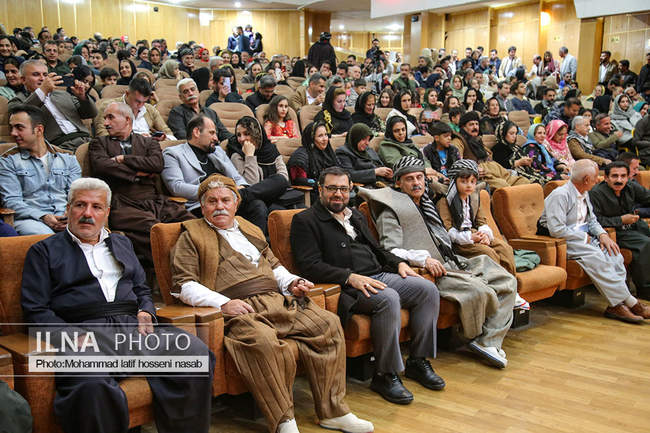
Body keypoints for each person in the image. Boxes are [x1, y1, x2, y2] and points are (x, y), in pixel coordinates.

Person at [169, 174, 372, 433]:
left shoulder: (249, 228)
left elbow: (275, 266)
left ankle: (333, 412)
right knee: (262, 341)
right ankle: (284, 421)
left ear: (236, 203)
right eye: (212, 201)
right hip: (240, 308)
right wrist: (224, 303)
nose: (219, 206)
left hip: (276, 299)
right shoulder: (190, 235)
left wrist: (293, 282)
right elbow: (183, 285)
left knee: (328, 324)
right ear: (202, 205)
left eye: (225, 200)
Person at [21, 177, 215, 433]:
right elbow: (35, 309)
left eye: (96, 207)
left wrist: (146, 310)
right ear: (68, 209)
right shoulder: (43, 251)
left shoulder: (122, 243)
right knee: (91, 385)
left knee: (195, 353)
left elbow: (141, 288)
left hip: (132, 329)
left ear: (107, 212)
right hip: (83, 332)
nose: (87, 213)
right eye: (80, 205)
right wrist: (69, 335)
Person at [291, 166, 445, 404]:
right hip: (347, 288)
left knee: (427, 289)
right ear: (320, 190)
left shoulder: (355, 214)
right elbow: (309, 265)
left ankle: (418, 361)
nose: (338, 194)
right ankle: (385, 374)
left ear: (350, 189)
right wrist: (349, 277)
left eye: (343, 189)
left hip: (378, 275)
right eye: (332, 188)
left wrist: (399, 263)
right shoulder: (305, 220)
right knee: (389, 298)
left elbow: (378, 249)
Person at [361, 156, 519, 366]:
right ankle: (483, 340)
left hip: (453, 260)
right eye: (409, 179)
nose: (416, 183)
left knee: (508, 280)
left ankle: (488, 340)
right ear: (398, 182)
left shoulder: (426, 202)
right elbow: (391, 250)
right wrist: (424, 260)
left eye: (419, 177)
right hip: (432, 270)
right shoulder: (390, 210)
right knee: (482, 290)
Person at [538, 159, 650, 322]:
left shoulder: (584, 193)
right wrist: (585, 237)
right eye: (595, 177)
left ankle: (617, 305)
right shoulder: (560, 195)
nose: (598, 180)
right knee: (599, 259)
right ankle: (630, 303)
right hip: (564, 241)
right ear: (586, 179)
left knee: (615, 255)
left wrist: (603, 235)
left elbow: (592, 221)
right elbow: (557, 230)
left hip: (585, 237)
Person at [89, 101, 192, 264]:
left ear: (127, 119)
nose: (105, 123)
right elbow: (102, 166)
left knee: (191, 222)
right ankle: (175, 268)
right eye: (105, 118)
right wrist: (138, 173)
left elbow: (156, 164)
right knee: (155, 228)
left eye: (110, 117)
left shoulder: (149, 142)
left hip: (154, 200)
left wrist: (124, 159)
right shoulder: (98, 143)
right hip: (123, 203)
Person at [162, 115, 272, 232]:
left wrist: (240, 187)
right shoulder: (173, 153)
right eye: (212, 133)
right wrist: (212, 191)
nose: (216, 138)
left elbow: (236, 178)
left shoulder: (217, 151)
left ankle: (257, 243)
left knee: (260, 202)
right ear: (196, 132)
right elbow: (176, 186)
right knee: (265, 196)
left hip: (230, 199)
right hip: (204, 205)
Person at [0, 104, 81, 235]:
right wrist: (44, 216)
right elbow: (12, 202)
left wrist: (69, 215)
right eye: (12, 128)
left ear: (39, 130)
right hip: (31, 220)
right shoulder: (8, 161)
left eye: (19, 128)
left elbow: (76, 196)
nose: (13, 133)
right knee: (47, 238)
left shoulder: (68, 158)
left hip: (66, 218)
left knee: (93, 234)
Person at [590, 161, 650, 300]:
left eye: (623, 176)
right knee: (645, 243)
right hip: (614, 232)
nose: (619, 180)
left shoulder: (630, 186)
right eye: (614, 176)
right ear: (606, 178)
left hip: (635, 227)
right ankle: (645, 289)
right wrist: (620, 220)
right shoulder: (596, 193)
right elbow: (595, 221)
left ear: (628, 177)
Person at [9, 59, 97, 151]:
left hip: (87, 140)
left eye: (45, 75)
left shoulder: (63, 94)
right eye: (36, 74)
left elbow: (90, 114)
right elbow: (19, 116)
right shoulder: (18, 100)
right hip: (59, 146)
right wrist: (42, 91)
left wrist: (82, 97)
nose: (42, 78)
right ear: (23, 80)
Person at [451, 111, 529, 190]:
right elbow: (457, 163)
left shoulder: (477, 140)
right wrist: (473, 170)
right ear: (463, 127)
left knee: (524, 181)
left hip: (496, 170)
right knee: (503, 186)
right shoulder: (458, 141)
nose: (475, 127)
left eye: (477, 124)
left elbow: (489, 155)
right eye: (471, 124)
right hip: (482, 175)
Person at [94, 77, 174, 139]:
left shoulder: (149, 109)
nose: (140, 106)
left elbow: (168, 133)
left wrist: (163, 138)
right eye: (137, 101)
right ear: (127, 94)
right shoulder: (108, 106)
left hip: (149, 148)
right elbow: (102, 135)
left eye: (144, 102)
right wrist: (136, 139)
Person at [167, 78, 232, 141]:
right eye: (185, 92)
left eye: (192, 89)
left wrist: (235, 139)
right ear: (181, 97)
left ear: (198, 92)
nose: (190, 93)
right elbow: (182, 136)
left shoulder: (211, 112)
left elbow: (223, 133)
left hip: (216, 146)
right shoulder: (176, 113)